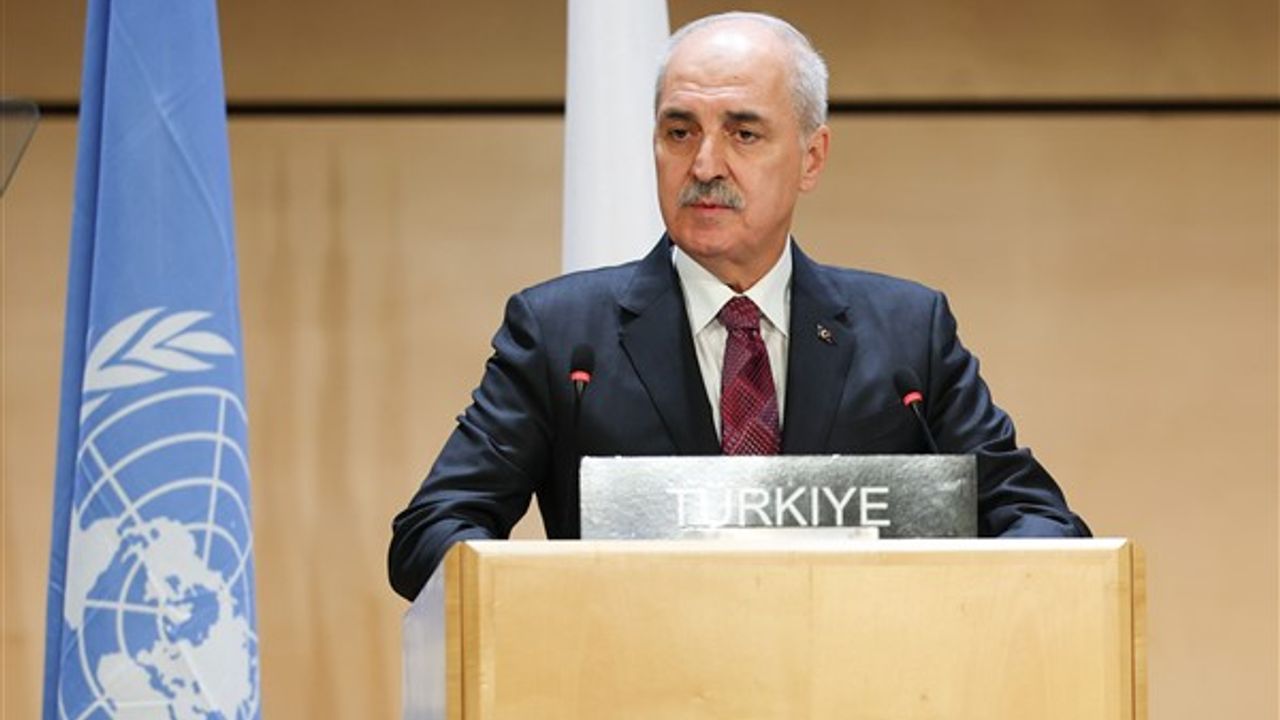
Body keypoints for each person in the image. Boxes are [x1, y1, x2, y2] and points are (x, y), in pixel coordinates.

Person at [388, 12, 1089, 602]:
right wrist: (559, 598)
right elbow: (431, 533)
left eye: (743, 133)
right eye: (680, 131)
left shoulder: (907, 335)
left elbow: (1040, 523)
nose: (704, 165)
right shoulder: (562, 336)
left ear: (811, 157)